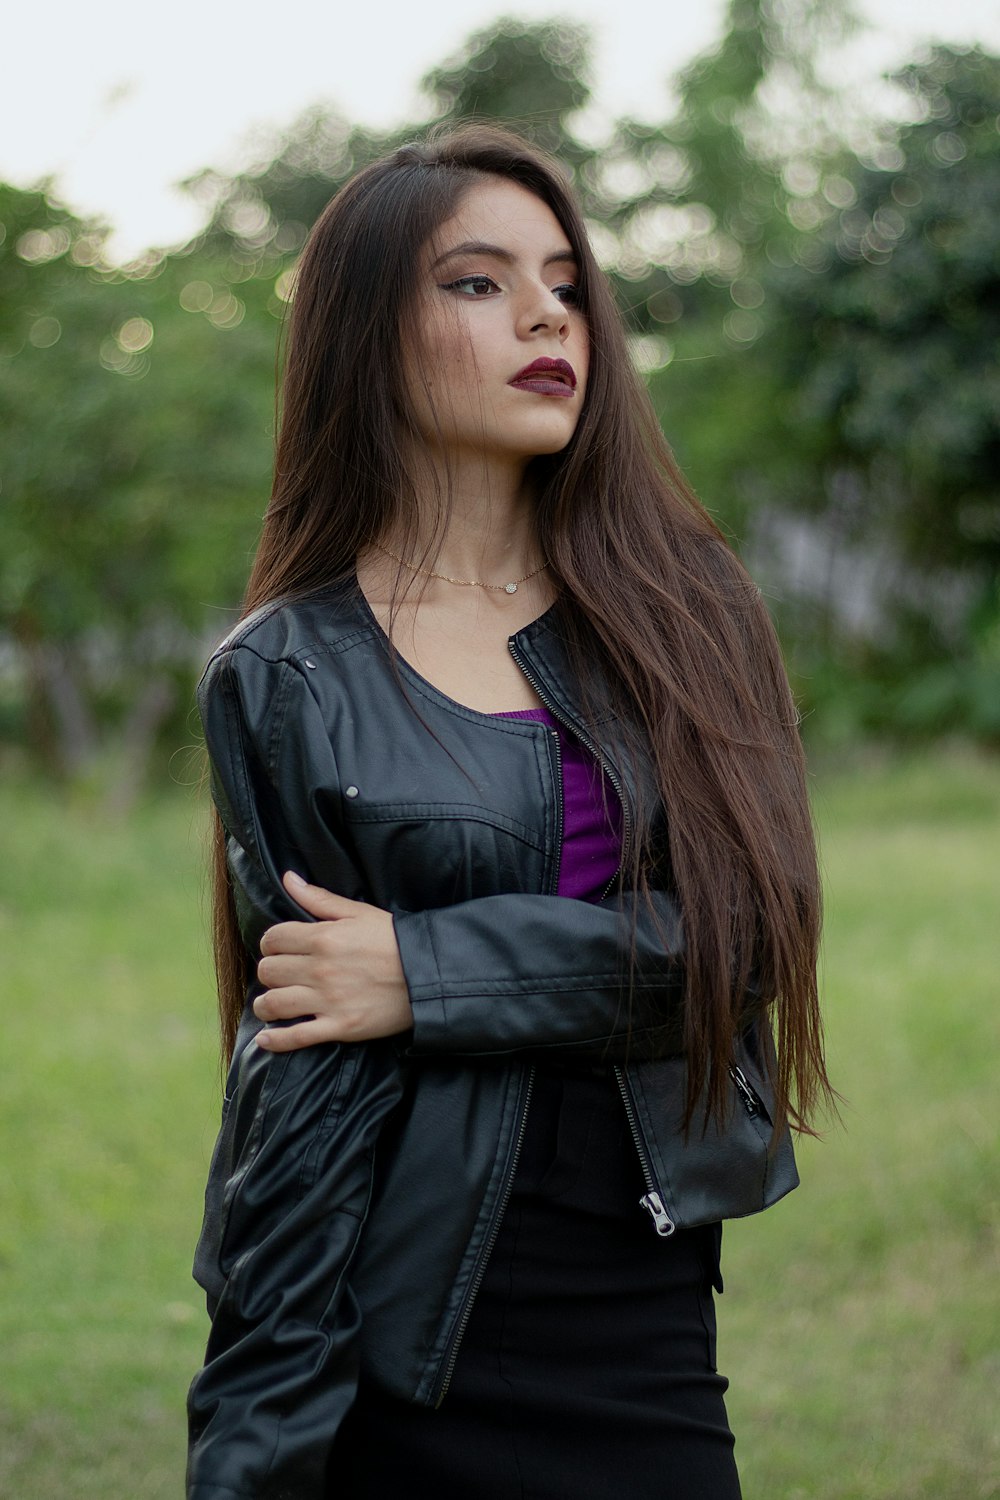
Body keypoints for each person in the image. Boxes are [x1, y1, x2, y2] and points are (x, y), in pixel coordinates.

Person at [186, 124, 831, 1500]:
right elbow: (298, 1078)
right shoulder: (286, 669)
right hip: (396, 1320)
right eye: (476, 283)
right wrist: (256, 1437)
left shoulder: (684, 612)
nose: (548, 312)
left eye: (563, 280)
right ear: (368, 334)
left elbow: (742, 943)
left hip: (633, 1301)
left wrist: (422, 972)